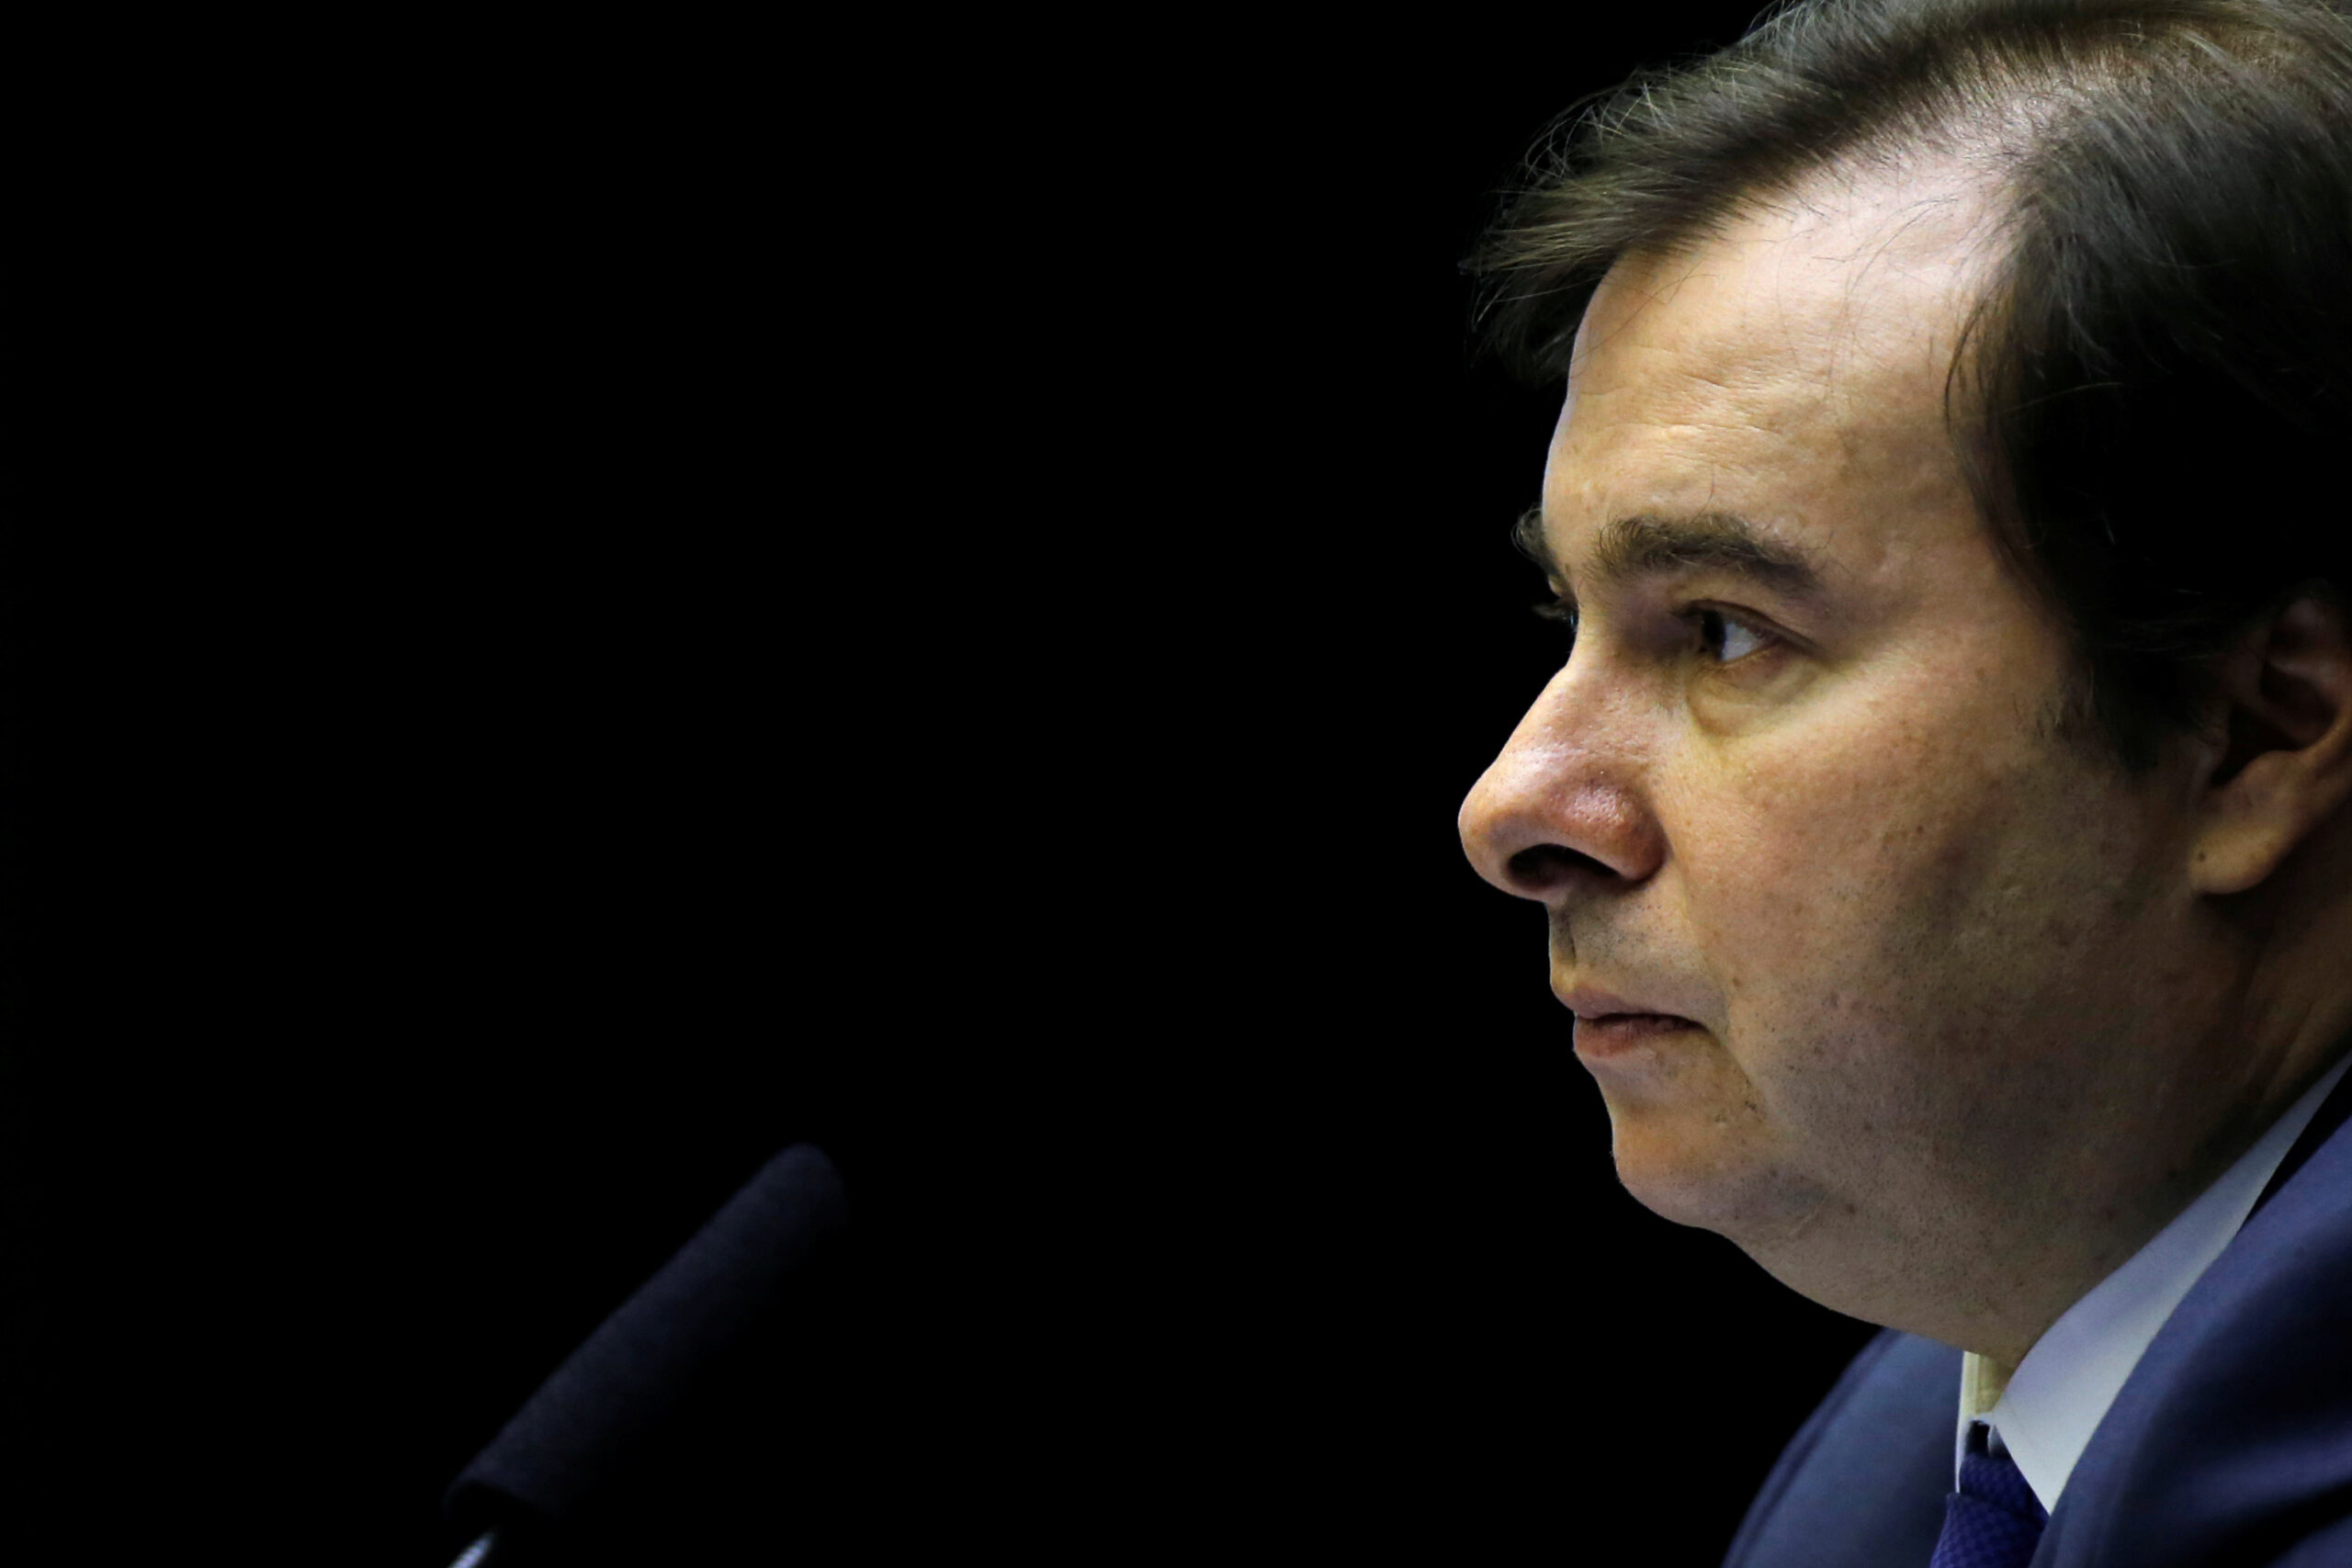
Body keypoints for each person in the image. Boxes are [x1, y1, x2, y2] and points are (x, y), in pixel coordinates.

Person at [1452, 2, 2352, 1563]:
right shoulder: (1929, 1449)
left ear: (2259, 737)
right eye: (1568, 621)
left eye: (1725, 633)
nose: (1513, 806)